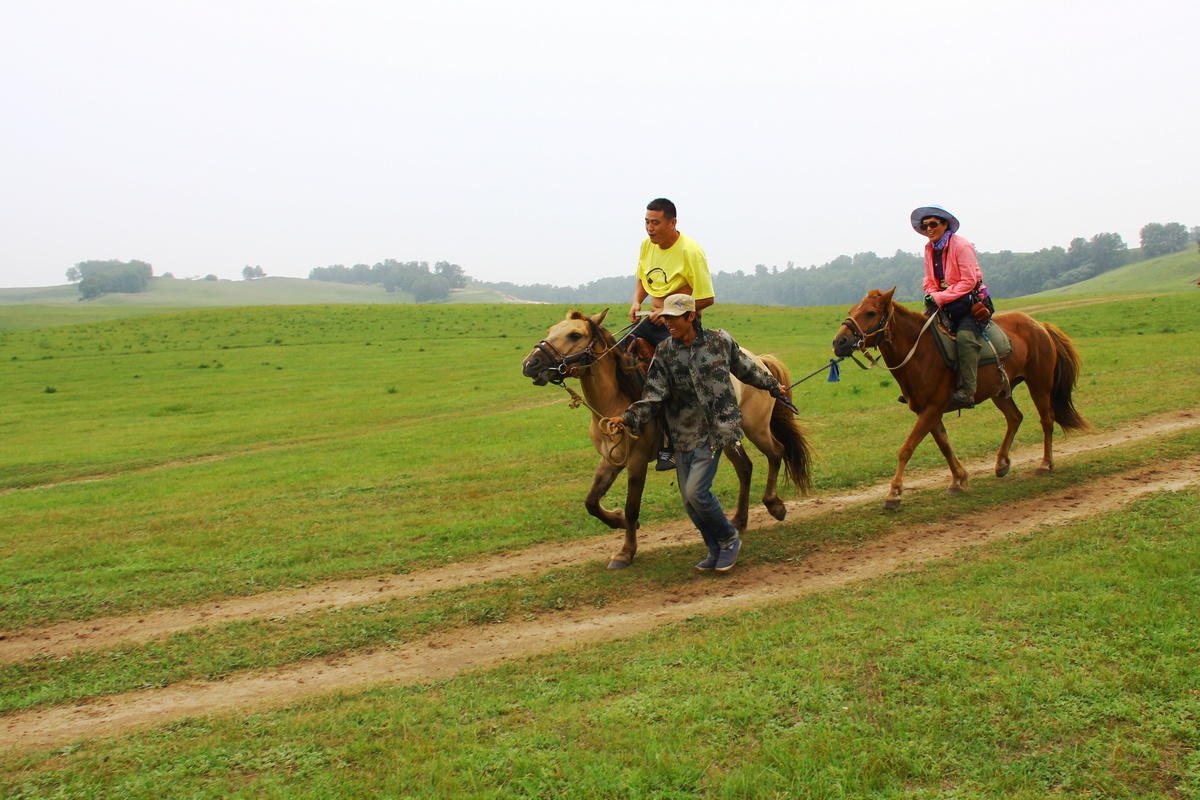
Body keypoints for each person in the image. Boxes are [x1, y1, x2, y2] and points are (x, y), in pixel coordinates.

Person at [607, 294, 793, 574]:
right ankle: (714, 547)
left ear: (691, 317)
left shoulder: (719, 341)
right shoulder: (666, 353)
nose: (667, 323)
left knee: (697, 492)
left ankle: (729, 539)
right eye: (666, 318)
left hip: (716, 430)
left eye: (673, 319)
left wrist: (772, 385)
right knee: (689, 502)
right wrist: (627, 418)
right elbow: (654, 396)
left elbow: (745, 369)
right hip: (682, 434)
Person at [627, 197, 717, 470]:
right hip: (652, 319)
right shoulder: (647, 245)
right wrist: (636, 301)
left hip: (682, 325)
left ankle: (669, 445)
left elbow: (707, 298)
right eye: (646, 222)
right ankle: (630, 418)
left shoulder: (690, 251)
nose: (649, 228)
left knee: (669, 376)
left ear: (672, 222)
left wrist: (669, 311)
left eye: (655, 222)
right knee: (619, 351)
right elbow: (643, 277)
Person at [912, 204, 995, 410]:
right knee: (920, 333)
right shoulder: (929, 249)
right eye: (925, 226)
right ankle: (920, 389)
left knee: (965, 340)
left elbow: (968, 281)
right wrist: (931, 294)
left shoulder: (961, 245)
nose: (929, 229)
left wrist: (939, 297)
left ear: (945, 224)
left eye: (933, 224)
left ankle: (967, 391)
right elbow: (930, 279)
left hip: (971, 303)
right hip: (947, 303)